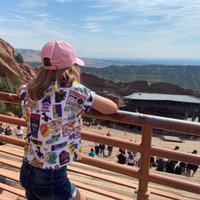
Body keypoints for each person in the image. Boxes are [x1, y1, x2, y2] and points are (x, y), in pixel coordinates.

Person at [17, 40, 117, 200]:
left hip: (27, 169)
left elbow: (19, 90)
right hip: (52, 177)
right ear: (71, 67)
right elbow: (112, 108)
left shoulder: (28, 90)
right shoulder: (75, 90)